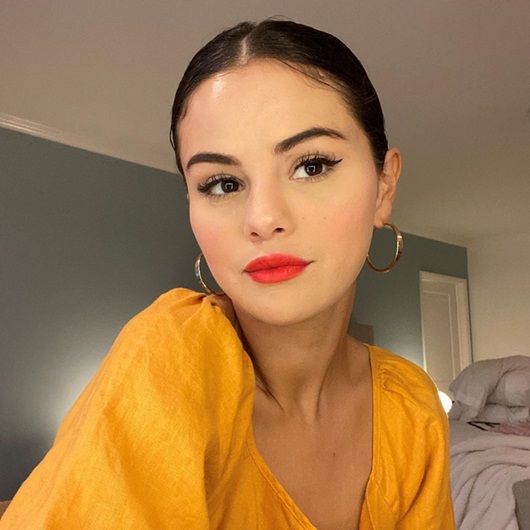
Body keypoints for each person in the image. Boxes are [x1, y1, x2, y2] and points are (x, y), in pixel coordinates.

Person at [1, 19, 455, 529]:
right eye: (222, 183)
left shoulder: (412, 407)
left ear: (384, 186)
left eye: (311, 165)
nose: (262, 218)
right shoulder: (169, 360)